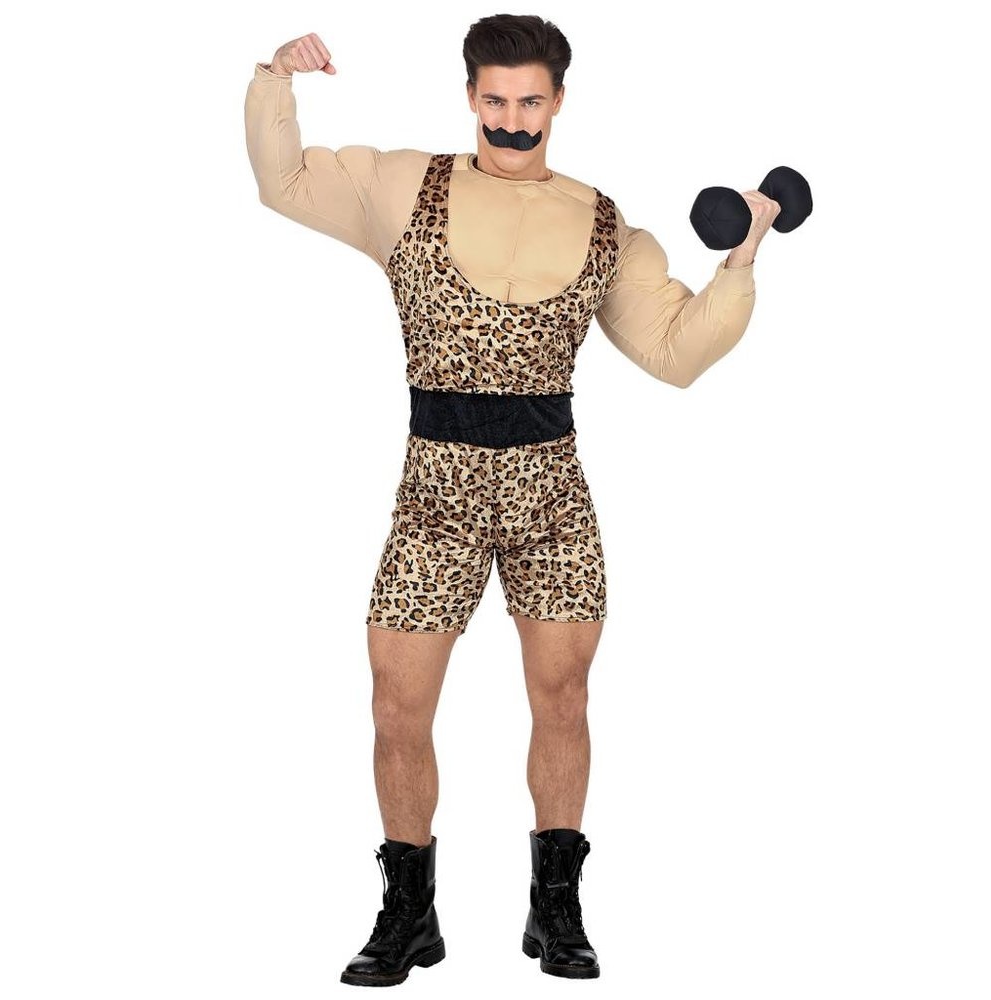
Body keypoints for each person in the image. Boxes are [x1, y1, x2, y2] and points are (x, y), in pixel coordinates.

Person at [244, 13, 778, 986]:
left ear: (558, 100)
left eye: (530, 100)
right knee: (397, 703)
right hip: (435, 488)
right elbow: (283, 182)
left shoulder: (604, 222)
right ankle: (408, 914)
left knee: (563, 697)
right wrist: (274, 76)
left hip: (549, 491)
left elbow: (674, 353)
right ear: (469, 96)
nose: (511, 119)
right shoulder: (400, 185)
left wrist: (741, 259)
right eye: (494, 99)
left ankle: (555, 910)